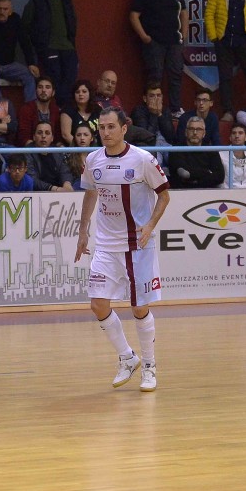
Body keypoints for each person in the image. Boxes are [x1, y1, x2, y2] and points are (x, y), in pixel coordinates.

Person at [76, 107, 170, 392]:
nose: (105, 132)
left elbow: (164, 195)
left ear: (124, 128)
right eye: (102, 128)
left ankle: (150, 365)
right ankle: (127, 357)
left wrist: (150, 225)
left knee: (139, 307)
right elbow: (90, 192)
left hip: (136, 244)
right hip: (106, 244)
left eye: (111, 127)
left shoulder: (143, 159)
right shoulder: (93, 160)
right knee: (98, 304)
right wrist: (83, 230)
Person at [129, 0, 187, 116]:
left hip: (175, 41)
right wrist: (144, 37)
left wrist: (184, 34)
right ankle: (153, 110)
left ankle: (175, 109)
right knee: (155, 76)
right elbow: (134, 16)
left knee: (176, 75)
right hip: (154, 43)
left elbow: (183, 12)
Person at [22, 0, 78, 102]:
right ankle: (57, 110)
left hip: (68, 47)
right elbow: (24, 27)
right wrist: (34, 52)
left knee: (70, 80)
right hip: (48, 47)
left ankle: (66, 110)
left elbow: (73, 21)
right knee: (54, 81)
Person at [167, 116, 224, 188]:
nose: (195, 133)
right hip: (182, 191)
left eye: (199, 129)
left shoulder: (211, 150)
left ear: (204, 133)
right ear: (186, 132)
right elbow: (183, 174)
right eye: (191, 129)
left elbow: (220, 176)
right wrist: (207, 172)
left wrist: (195, 180)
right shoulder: (176, 150)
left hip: (207, 191)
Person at [25, 121, 73, 191]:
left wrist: (67, 183)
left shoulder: (57, 152)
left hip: (58, 190)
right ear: (34, 137)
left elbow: (65, 171)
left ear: (52, 138)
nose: (43, 136)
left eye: (47, 133)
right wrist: (52, 188)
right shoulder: (27, 152)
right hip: (37, 192)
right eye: (39, 133)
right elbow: (31, 179)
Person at [16, 75, 59, 146]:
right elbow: (24, 138)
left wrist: (60, 146)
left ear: (53, 92)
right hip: (30, 149)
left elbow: (57, 136)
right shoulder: (26, 109)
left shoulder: (55, 110)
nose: (43, 90)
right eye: (40, 87)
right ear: (36, 90)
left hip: (51, 149)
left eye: (47, 87)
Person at [59, 79, 99, 145]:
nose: (80, 94)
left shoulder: (97, 110)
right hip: (74, 149)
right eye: (77, 92)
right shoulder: (67, 111)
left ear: (90, 93)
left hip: (96, 148)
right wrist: (80, 147)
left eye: (84, 91)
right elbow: (66, 135)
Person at [225, 124, 246, 188]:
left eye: (240, 133)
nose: (237, 136)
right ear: (230, 137)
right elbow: (221, 183)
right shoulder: (221, 156)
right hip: (226, 192)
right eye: (234, 133)